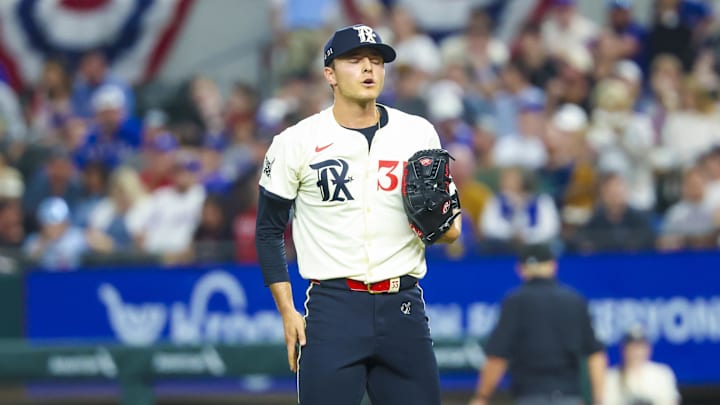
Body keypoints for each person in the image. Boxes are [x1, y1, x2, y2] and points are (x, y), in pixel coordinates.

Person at [256, 24, 462, 405]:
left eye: (376, 61)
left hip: (402, 305)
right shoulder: (295, 142)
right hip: (334, 306)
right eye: (355, 60)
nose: (369, 68)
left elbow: (451, 232)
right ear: (330, 74)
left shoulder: (417, 133)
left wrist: (439, 222)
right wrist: (286, 310)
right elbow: (268, 231)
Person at [469, 243, 607, 405]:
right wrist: (598, 400)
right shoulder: (575, 301)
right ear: (553, 266)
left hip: (530, 396)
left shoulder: (516, 302)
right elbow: (595, 355)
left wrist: (482, 397)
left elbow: (497, 357)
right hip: (569, 397)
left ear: (520, 269)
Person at [604, 326, 681, 405]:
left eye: (640, 347)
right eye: (632, 347)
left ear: (648, 349)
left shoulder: (662, 374)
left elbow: (670, 401)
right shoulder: (611, 377)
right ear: (623, 349)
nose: (636, 352)